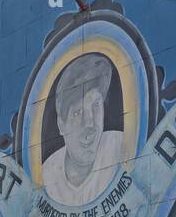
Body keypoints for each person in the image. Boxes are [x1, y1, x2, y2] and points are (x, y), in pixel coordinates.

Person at [40, 54, 124, 206]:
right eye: (77, 112)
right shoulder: (47, 176)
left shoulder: (121, 148)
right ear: (61, 125)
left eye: (96, 105)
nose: (89, 123)